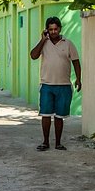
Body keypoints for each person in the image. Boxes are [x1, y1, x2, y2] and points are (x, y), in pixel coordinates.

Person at [29, 16, 81, 151]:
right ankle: (45, 142)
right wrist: (42, 40)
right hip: (46, 85)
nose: (53, 32)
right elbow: (33, 56)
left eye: (55, 29)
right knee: (45, 115)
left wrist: (79, 79)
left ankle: (58, 143)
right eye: (50, 29)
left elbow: (76, 61)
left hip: (63, 86)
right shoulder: (44, 43)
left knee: (59, 116)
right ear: (47, 30)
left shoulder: (68, 43)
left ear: (60, 29)